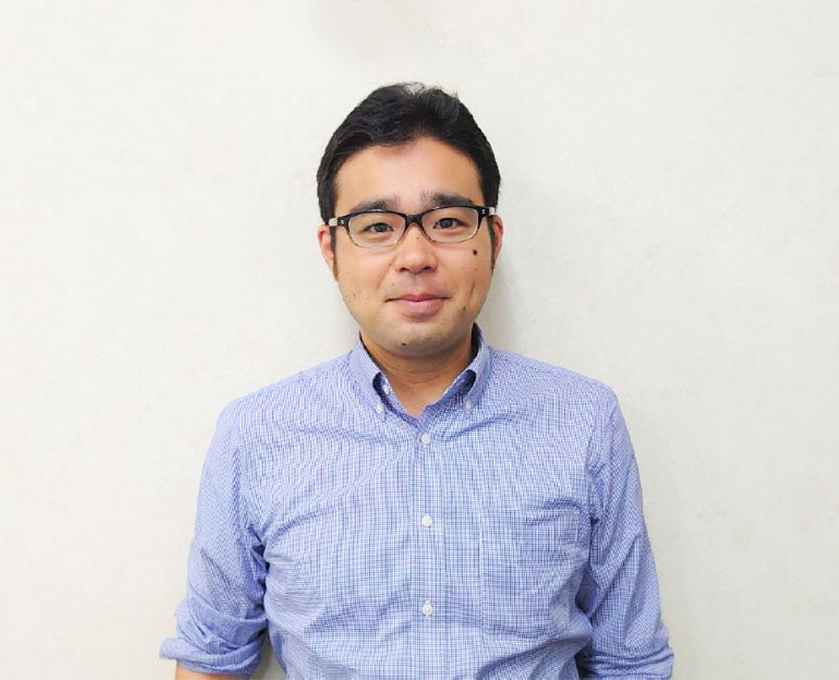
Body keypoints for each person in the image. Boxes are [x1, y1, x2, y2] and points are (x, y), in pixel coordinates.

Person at [159, 82, 674, 679]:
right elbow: (211, 660)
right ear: (331, 250)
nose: (415, 256)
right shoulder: (256, 434)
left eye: (448, 221)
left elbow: (630, 663)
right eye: (377, 226)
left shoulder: (582, 421)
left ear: (492, 240)